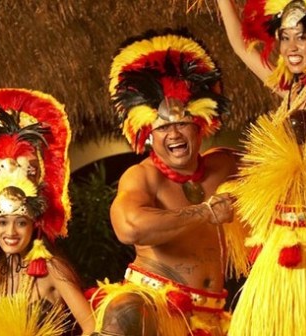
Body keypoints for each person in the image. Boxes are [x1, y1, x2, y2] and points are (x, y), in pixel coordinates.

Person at [92, 30, 248, 335]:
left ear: (200, 127)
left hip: (213, 315)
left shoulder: (225, 165)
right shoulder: (143, 176)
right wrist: (204, 212)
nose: (173, 135)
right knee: (123, 310)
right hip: (156, 307)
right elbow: (130, 228)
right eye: (163, 128)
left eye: (181, 124)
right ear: (149, 135)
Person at [0, 89, 95, 335]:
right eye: (2, 222)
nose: (10, 232)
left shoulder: (52, 268)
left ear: (34, 225)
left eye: (20, 222)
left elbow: (92, 326)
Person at [217, 0, 306, 335]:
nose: (290, 47)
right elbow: (241, 46)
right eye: (285, 37)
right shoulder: (292, 91)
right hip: (280, 236)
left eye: (302, 37)